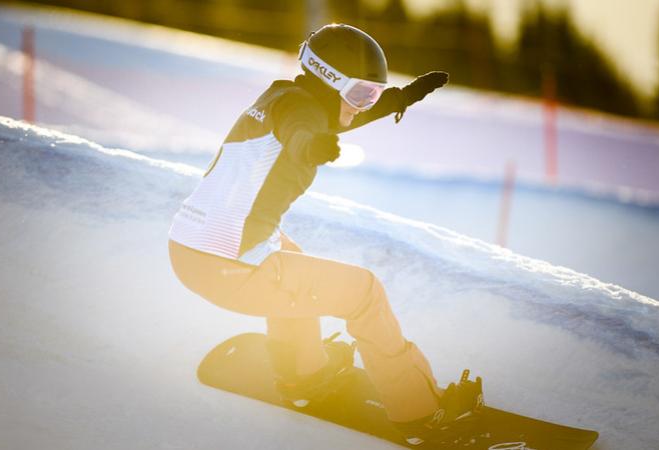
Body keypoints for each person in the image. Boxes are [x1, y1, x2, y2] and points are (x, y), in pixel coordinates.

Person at [168, 23, 483, 446]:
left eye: (371, 95)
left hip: (188, 250)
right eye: (360, 95)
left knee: (291, 259)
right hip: (229, 268)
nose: (361, 107)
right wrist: (311, 145)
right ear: (330, 82)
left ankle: (303, 376)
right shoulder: (302, 118)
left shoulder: (280, 96)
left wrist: (397, 99)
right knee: (364, 294)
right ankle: (422, 414)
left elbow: (314, 117)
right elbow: (301, 130)